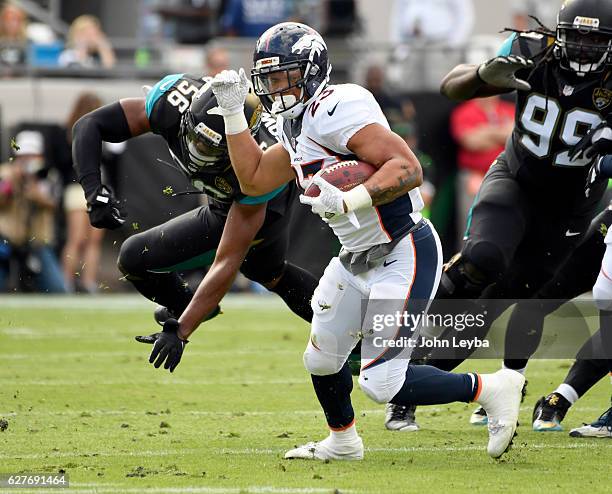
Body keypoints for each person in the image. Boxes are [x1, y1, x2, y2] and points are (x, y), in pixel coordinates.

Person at [208, 21, 524, 460]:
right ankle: (343, 442)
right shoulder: (294, 123)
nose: (275, 87)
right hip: (354, 256)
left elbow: (407, 167)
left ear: (312, 70)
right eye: (268, 78)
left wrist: (351, 198)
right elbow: (255, 178)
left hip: (402, 248)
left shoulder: (337, 106)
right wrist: (230, 114)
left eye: (283, 75)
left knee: (382, 383)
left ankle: (492, 388)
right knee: (320, 359)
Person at [394, 0, 612, 430]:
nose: (584, 48)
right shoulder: (533, 50)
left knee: (515, 301)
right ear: (558, 33)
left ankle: (416, 387)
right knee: (483, 259)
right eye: (577, 36)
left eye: (596, 39)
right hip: (516, 178)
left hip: (570, 208)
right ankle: (404, 339)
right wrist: (480, 75)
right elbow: (450, 86)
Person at [72, 72, 319, 370]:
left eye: (210, 149)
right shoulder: (171, 103)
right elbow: (89, 124)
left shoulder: (258, 170)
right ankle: (188, 303)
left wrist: (182, 330)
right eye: (197, 140)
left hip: (259, 203)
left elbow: (227, 260)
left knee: (264, 271)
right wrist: (93, 190)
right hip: (220, 202)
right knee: (134, 258)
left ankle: (350, 337)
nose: (198, 152)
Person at [61, 92, 119, 293]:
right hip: (80, 188)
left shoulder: (103, 134)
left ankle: (87, 282)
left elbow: (112, 163)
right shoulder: (74, 133)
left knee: (92, 241)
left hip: (98, 188)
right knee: (78, 239)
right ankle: (68, 282)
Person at [0, 130, 65, 293]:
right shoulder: (5, 173)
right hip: (6, 239)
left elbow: (55, 204)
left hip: (37, 241)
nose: (27, 161)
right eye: (24, 156)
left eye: (32, 156)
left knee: (58, 290)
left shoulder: (48, 175)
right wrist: (12, 184)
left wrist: (36, 192)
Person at [450, 95, 514, 247]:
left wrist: (485, 131)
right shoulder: (465, 112)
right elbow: (472, 142)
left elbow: (515, 138)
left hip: (507, 176)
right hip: (475, 176)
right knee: (472, 222)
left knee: (505, 221)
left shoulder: (508, 109)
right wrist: (501, 134)